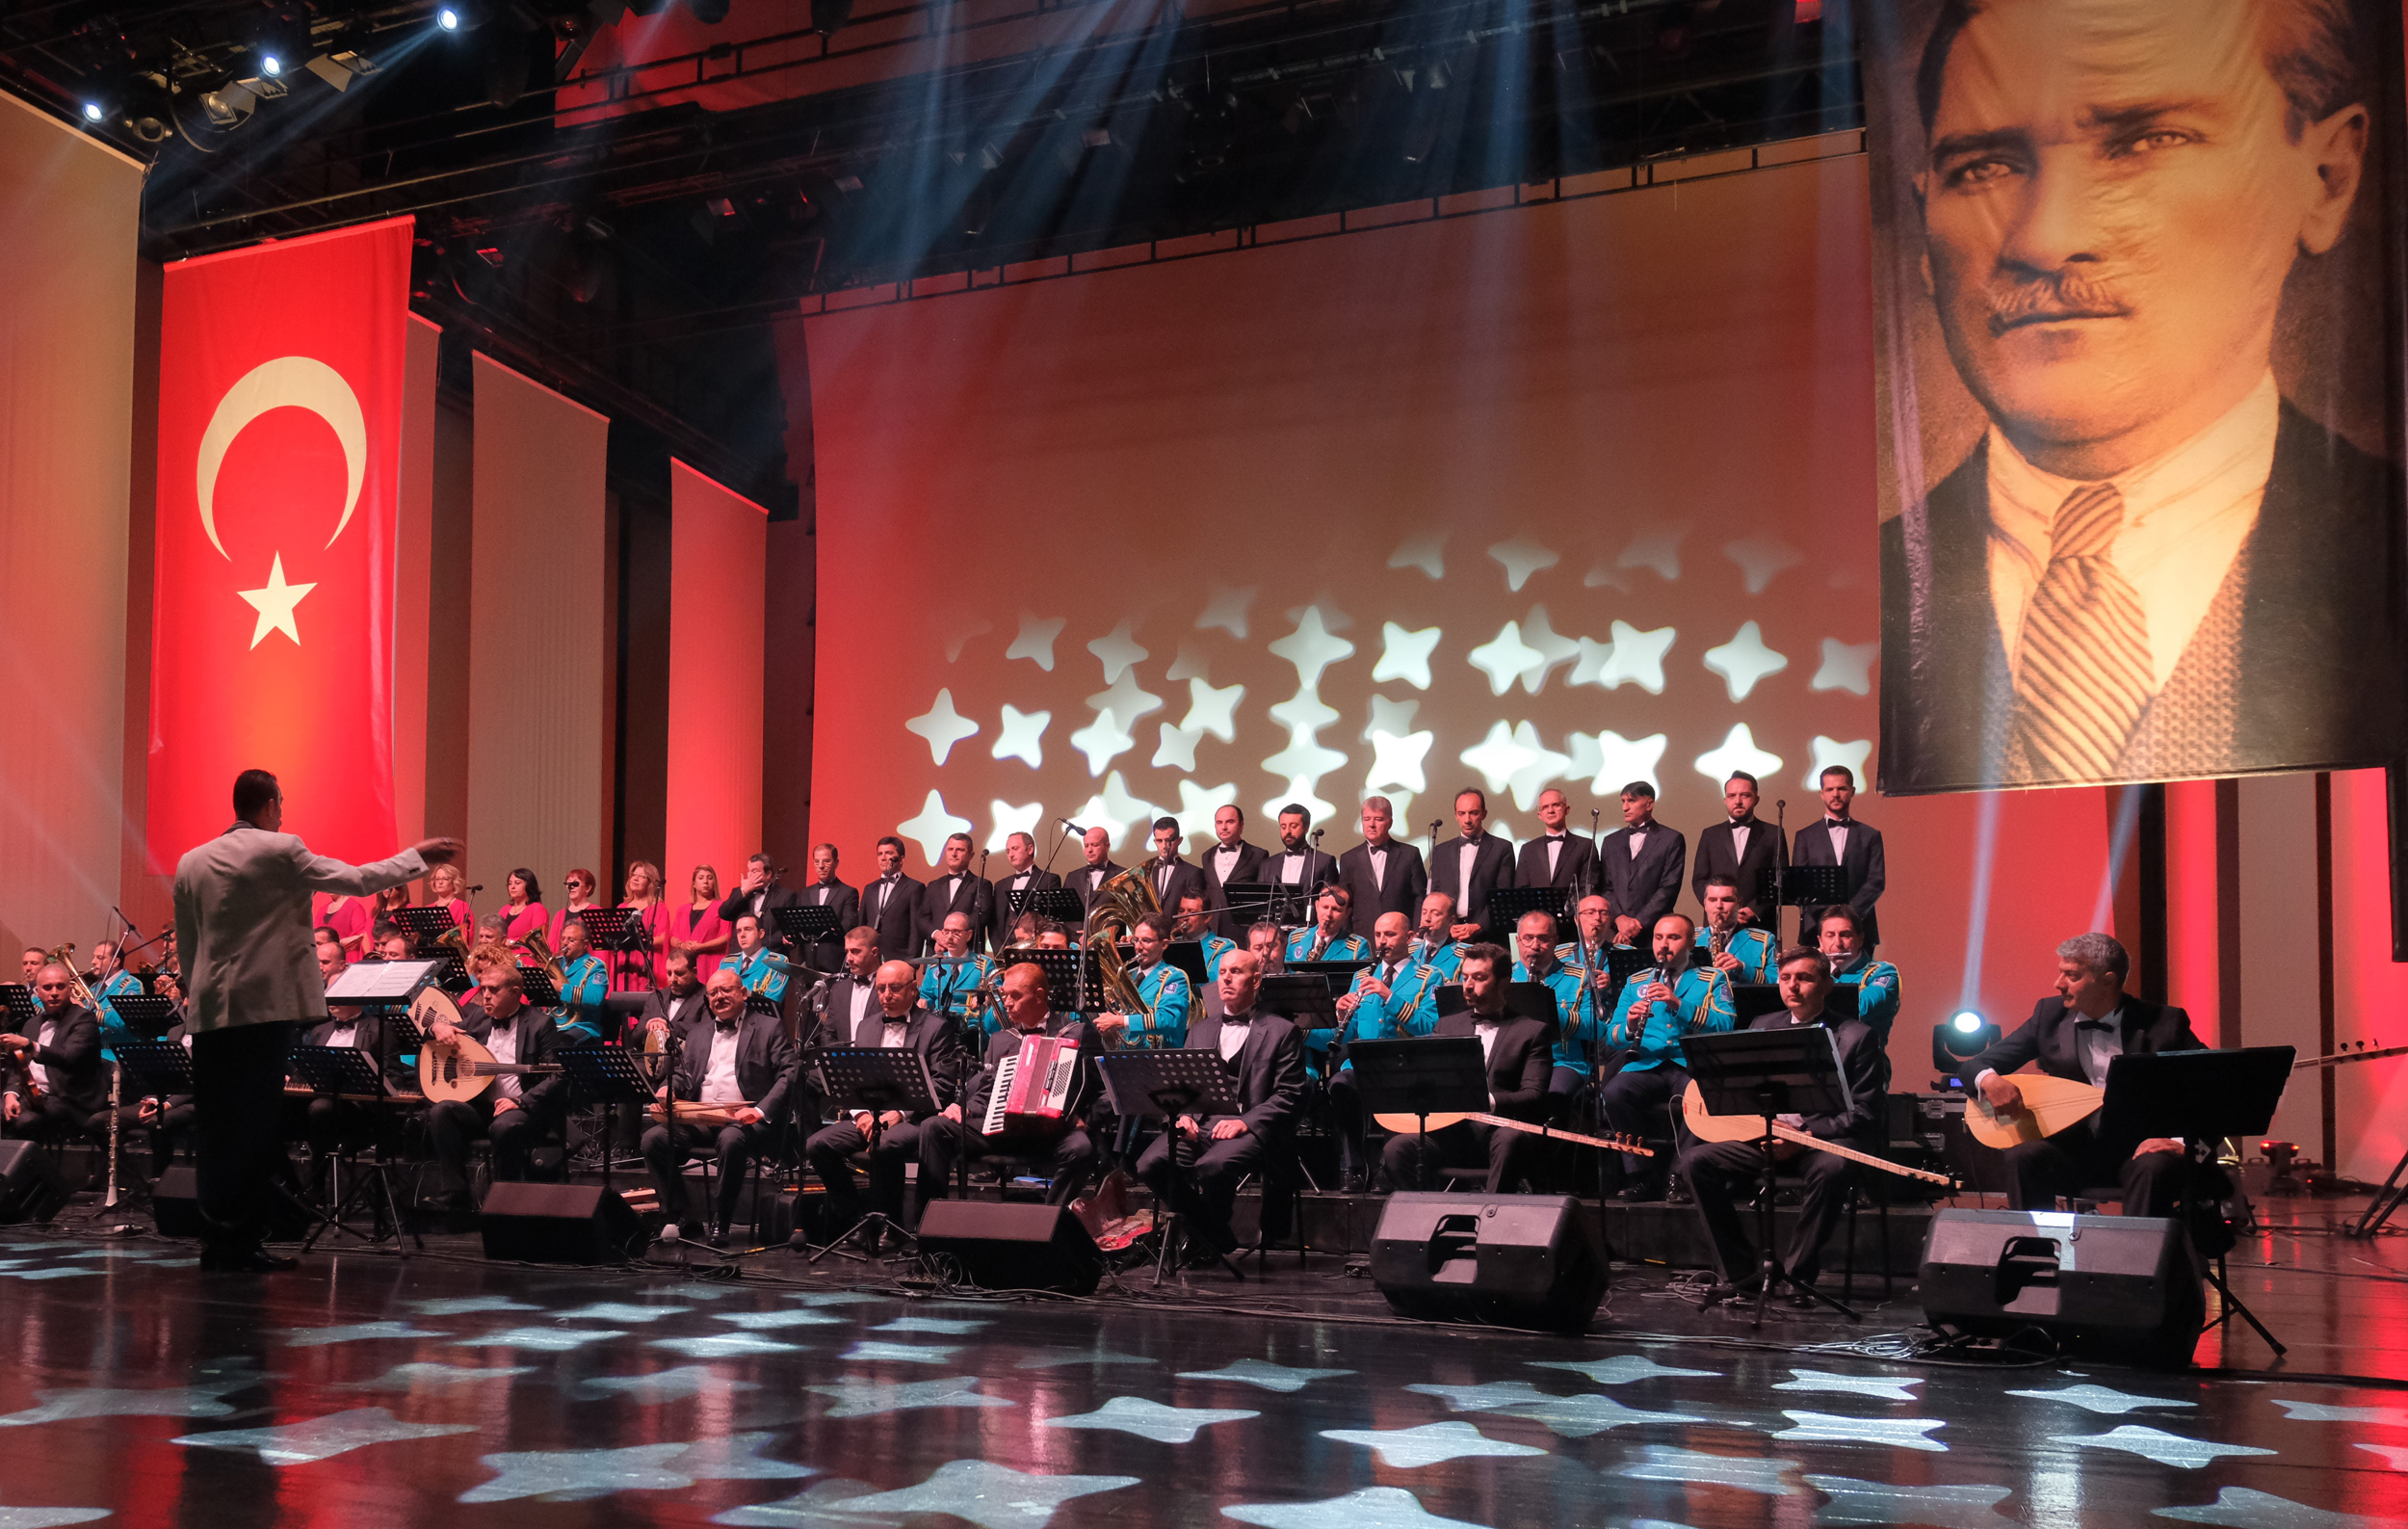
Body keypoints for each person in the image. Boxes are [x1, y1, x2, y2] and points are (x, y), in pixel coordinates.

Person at [1880, 0, 2403, 791]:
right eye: (1985, 168)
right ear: (1925, 222)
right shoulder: (1858, 604)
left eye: (2147, 141)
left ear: (2327, 178)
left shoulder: (2387, 556)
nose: (2045, 238)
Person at [170, 768, 455, 1269]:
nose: (282, 815)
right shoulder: (281, 849)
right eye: (280, 805)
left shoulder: (191, 862)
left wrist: (198, 995)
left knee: (216, 1128)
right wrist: (417, 858)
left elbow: (189, 943)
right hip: (263, 1009)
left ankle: (217, 1242)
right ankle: (243, 1242)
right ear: (268, 806)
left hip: (212, 1011)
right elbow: (358, 879)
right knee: (255, 1127)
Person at [1677, 946, 1888, 1301]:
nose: (1793, 986)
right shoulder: (1762, 1025)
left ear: (1826, 985)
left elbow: (1866, 1111)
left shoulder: (1857, 1036)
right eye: (1786, 978)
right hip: (1766, 1137)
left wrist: (1804, 1136)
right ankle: (1741, 1274)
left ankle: (1797, 1278)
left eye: (1804, 978)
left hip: (1821, 1142)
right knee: (1695, 1162)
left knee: (1834, 1168)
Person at [1964, 933, 2203, 1215]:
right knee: (2023, 1155)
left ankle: (2142, 1245)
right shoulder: (2048, 1016)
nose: (2058, 983)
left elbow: (2216, 1086)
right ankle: (2033, 1242)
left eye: (2072, 976)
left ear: (2108, 980)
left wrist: (2181, 1142)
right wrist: (1989, 1080)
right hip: (2072, 1151)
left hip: (2140, 1151)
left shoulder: (2165, 1023)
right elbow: (1974, 1066)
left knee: (2154, 1166)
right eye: (2060, 973)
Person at [1134, 949, 1307, 1256]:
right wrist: (1182, 1116)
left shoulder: (1282, 1032)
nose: (1226, 978)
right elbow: (1180, 1086)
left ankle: (1206, 1240)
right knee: (1149, 1164)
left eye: (1236, 972)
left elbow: (1289, 1095)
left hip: (1251, 1128)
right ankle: (1211, 1233)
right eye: (1223, 972)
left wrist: (1245, 1122)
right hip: (1201, 1124)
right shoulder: (1199, 1030)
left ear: (1256, 980)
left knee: (1212, 1166)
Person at [803, 959, 966, 1238]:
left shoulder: (936, 1028)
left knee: (885, 1144)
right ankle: (856, 1217)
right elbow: (854, 1080)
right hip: (872, 1115)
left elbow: (942, 1085)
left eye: (894, 988)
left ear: (913, 989)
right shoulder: (866, 1026)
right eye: (881, 989)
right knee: (817, 1145)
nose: (886, 995)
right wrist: (861, 1115)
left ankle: (892, 1226)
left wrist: (899, 1114)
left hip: (916, 1119)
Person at [929, 962, 1109, 1208]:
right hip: (1005, 1130)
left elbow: (1105, 1091)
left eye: (1016, 996)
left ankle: (1050, 1218)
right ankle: (928, 1218)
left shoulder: (1077, 1034)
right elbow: (985, 1095)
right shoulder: (1001, 1040)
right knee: (935, 1127)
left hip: (1055, 1133)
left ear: (1039, 996)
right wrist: (965, 1108)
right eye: (1005, 995)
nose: (1007, 1003)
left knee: (1081, 1149)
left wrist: (1087, 1119)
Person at [642, 966, 800, 1246]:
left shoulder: (768, 1027)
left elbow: (790, 1073)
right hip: (702, 1119)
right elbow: (683, 1075)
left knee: (731, 1140)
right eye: (713, 992)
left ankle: (722, 1220)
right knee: (653, 1140)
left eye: (726, 990)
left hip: (747, 1121)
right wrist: (669, 1089)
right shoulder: (698, 1033)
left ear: (744, 993)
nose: (719, 996)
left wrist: (760, 1110)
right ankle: (683, 1216)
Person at [1381, 943, 1553, 1195]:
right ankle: (1429, 1213)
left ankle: (1491, 1214)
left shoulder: (1532, 1031)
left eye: (1479, 978)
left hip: (1500, 1134)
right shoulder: (1447, 1026)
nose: (1468, 985)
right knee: (1397, 1148)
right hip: (1453, 1136)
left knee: (1509, 1138)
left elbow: (1534, 1094)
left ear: (1504, 983)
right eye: (1465, 977)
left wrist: (1486, 1101)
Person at [1599, 913, 1736, 1200]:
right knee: (1614, 1092)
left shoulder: (1712, 978)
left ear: (1691, 943)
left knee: (1701, 1097)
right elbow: (1611, 1036)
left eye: (1673, 937)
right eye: (1658, 937)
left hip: (1691, 1066)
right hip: (1646, 1064)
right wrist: (1630, 1025)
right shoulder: (1636, 981)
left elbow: (1725, 1025)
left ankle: (1680, 1175)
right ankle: (1641, 1175)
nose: (1663, 944)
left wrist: (1678, 1003)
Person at [424, 963, 565, 1208]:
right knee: (442, 1111)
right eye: (483, 989)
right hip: (483, 1108)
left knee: (504, 1126)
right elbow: (438, 1032)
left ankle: (503, 1199)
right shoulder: (478, 1017)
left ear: (515, 992)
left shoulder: (541, 1024)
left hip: (523, 1109)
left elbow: (557, 1076)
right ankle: (456, 1194)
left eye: (493, 989)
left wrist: (519, 1101)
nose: (486, 995)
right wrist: (437, 1026)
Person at [1327, 911, 1444, 1189]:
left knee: (1398, 1090)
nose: (1382, 941)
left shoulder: (1429, 976)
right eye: (1378, 935)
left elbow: (1430, 1027)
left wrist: (1389, 996)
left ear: (1409, 937)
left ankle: (1386, 1168)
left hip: (1407, 1066)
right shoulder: (1362, 976)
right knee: (1339, 1083)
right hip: (1364, 1065)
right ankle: (1354, 1166)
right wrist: (1340, 1014)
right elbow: (1349, 1033)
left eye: (1390, 934)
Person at [0, 963, 106, 1148]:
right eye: (48, 987)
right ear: (38, 993)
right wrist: (10, 1095)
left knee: (24, 1121)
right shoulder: (32, 1024)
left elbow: (68, 1057)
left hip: (68, 1098)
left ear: (69, 989)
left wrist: (29, 1045)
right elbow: (19, 1068)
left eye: (60, 986)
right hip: (32, 1096)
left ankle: (28, 1165)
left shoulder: (84, 1019)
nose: (54, 992)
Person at [1513, 911, 1604, 1124]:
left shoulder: (1581, 976)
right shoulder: (1505, 977)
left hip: (1563, 1062)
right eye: (1528, 938)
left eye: (1543, 939)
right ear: (1518, 941)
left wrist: (1553, 1012)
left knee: (1552, 1100)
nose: (1535, 946)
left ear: (1555, 941)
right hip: (1515, 1062)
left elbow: (1598, 1029)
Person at [1793, 767, 1886, 951]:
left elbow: (1876, 881)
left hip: (1860, 927)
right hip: (1815, 929)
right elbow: (1800, 883)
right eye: (1830, 789)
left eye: (1841, 788)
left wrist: (1849, 915)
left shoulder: (1870, 835)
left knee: (1859, 971)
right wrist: (1828, 917)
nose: (1835, 794)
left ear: (1852, 791)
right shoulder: (1805, 836)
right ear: (1821, 793)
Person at [1598, 781, 1686, 946]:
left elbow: (1669, 887)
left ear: (1649, 804)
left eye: (1631, 801)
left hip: (1654, 932)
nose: (1625, 807)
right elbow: (1606, 886)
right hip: (1616, 933)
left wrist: (1638, 922)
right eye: (1623, 801)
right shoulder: (1611, 841)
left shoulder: (1671, 839)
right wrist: (1619, 918)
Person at [1691, 773, 1779, 928]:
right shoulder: (1710, 834)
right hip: (1718, 921)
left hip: (1759, 923)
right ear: (1725, 800)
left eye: (1745, 795)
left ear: (1756, 799)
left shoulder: (1773, 833)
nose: (1738, 801)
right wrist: (1715, 907)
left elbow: (1778, 879)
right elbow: (1699, 879)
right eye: (1732, 796)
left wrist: (1754, 909)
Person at [1099, 911, 1192, 1050]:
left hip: (1160, 1058)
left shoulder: (1174, 977)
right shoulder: (1127, 977)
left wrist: (1121, 1021)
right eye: (1136, 940)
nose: (1138, 947)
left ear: (1164, 944)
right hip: (1125, 1056)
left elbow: (1167, 1019)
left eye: (1146, 941)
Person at [1340, 795, 1428, 938]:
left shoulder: (1409, 854)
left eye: (1378, 819)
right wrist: (1347, 937)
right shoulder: (1349, 859)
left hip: (1401, 936)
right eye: (1366, 819)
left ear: (1390, 822)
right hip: (1361, 937)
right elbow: (1345, 903)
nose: (1371, 824)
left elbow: (1420, 897)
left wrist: (1417, 933)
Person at [1428, 789, 1513, 938]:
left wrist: (1479, 925)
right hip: (1448, 934)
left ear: (1484, 814)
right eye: (1462, 813)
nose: (1467, 819)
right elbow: (1436, 893)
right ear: (1456, 815)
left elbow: (1503, 894)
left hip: (1488, 935)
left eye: (1473, 813)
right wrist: (1446, 925)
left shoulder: (1502, 848)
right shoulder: (1441, 851)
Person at [1817, 906, 1900, 1041]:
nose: (1838, 943)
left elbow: (1859, 1008)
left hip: (1863, 1054)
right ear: (1820, 941)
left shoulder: (1883, 972)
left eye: (1845, 935)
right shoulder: (1811, 972)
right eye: (1830, 935)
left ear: (1860, 939)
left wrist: (1816, 977)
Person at [920, 912, 996, 1036]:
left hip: (971, 1027)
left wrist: (985, 998)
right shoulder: (935, 963)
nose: (950, 937)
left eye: (956, 932)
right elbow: (926, 996)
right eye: (946, 932)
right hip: (940, 1026)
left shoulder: (984, 964)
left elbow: (997, 995)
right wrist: (922, 1003)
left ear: (968, 935)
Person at [1201, 804, 1270, 938]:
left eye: (1230, 822)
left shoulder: (1258, 855)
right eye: (1219, 822)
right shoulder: (1207, 856)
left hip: (1243, 931)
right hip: (1211, 930)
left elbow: (1262, 898)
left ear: (1241, 825)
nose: (1224, 827)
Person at [1694, 878, 1778, 984]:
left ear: (1739, 903)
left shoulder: (1763, 941)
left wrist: (1743, 968)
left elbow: (1776, 980)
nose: (1719, 906)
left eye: (1726, 900)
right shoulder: (1690, 939)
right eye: (1713, 900)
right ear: (1705, 904)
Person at [1517, 788, 1599, 893]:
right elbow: (1521, 890)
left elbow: (1589, 890)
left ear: (1567, 810)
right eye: (1545, 807)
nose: (1550, 811)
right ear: (1540, 815)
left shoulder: (1585, 846)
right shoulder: (1527, 849)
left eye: (1556, 805)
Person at [921, 833, 993, 953]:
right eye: (950, 849)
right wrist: (937, 935)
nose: (954, 854)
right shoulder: (933, 885)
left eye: (960, 850)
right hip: (936, 950)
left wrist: (951, 936)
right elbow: (922, 918)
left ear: (971, 855)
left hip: (968, 952)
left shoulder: (982, 884)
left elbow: (981, 916)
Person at [986, 832, 1059, 949]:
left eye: (1015, 848)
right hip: (1005, 951)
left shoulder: (1048, 880)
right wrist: (1000, 950)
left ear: (1030, 849)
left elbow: (1051, 920)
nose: (1011, 855)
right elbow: (994, 923)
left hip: (1034, 949)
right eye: (1008, 851)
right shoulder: (1000, 885)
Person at [795, 845, 859, 974]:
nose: (821, 866)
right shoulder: (805, 893)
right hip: (808, 962)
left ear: (836, 863)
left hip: (834, 961)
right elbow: (798, 925)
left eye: (826, 861)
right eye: (817, 862)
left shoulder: (848, 892)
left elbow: (848, 924)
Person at [860, 836, 926, 958]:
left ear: (901, 859)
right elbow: (862, 924)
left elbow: (915, 929)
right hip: (870, 956)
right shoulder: (869, 888)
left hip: (899, 956)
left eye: (889, 853)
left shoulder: (914, 888)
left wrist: (913, 961)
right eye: (880, 854)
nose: (883, 858)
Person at [720, 853, 804, 946]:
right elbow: (724, 913)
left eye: (754, 871)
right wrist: (743, 891)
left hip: (770, 950)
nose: (750, 875)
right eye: (748, 871)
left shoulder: (786, 896)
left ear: (768, 874)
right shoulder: (739, 893)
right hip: (741, 951)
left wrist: (759, 944)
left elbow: (787, 929)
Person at [814, 928, 883, 1041]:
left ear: (874, 952)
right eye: (847, 952)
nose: (848, 959)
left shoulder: (889, 988)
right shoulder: (839, 990)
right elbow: (829, 1033)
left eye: (855, 951)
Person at [551, 919, 610, 1046]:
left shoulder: (595, 966)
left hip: (582, 1025)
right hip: (554, 1023)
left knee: (561, 1042)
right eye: (563, 939)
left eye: (571, 940)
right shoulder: (555, 964)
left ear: (585, 944)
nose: (565, 943)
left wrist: (561, 988)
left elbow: (595, 998)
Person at [672, 864, 732, 984]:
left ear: (714, 883)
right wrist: (682, 945)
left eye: (710, 878)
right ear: (694, 884)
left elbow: (726, 936)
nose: (705, 881)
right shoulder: (682, 910)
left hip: (711, 963)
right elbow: (673, 936)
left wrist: (701, 946)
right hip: (685, 963)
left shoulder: (722, 907)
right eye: (701, 878)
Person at [1266, 804, 1340, 899]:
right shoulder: (1267, 865)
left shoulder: (1324, 861)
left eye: (1293, 826)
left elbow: (1331, 899)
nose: (1287, 831)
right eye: (1283, 827)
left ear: (1306, 828)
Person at [615, 860, 669, 989]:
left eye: (642, 876)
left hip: (646, 962)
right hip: (624, 963)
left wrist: (638, 942)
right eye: (633, 875)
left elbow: (663, 939)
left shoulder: (658, 908)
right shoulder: (621, 907)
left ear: (650, 883)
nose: (635, 878)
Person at [1285, 886, 1370, 963]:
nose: (1328, 914)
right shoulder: (1295, 939)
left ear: (1347, 913)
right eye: (1325, 907)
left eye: (1336, 909)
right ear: (1317, 906)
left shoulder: (1358, 948)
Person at [1140, 818, 1208, 913]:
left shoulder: (1193, 873)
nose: (1164, 846)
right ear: (1155, 841)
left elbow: (1194, 910)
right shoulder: (1150, 873)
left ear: (1179, 840)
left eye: (1168, 840)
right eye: (1159, 841)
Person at [725, 914, 791, 1006]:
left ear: (761, 933)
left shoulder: (778, 962)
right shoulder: (727, 962)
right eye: (739, 931)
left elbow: (772, 1000)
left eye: (747, 929)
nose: (742, 935)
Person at [1170, 893, 1238, 981]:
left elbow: (1214, 982)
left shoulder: (1223, 947)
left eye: (1192, 912)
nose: (1184, 917)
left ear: (1207, 918)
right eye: (1181, 911)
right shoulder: (1171, 943)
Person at [1410, 893, 1468, 981]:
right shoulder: (1408, 951)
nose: (1427, 918)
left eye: (1436, 914)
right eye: (1424, 912)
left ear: (1451, 920)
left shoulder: (1465, 955)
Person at [1069, 826, 1124, 912]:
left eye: (1095, 845)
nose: (1089, 850)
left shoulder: (1122, 875)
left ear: (1107, 846)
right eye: (1086, 846)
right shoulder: (1072, 877)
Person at [550, 868, 602, 954]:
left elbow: (601, 950)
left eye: (575, 883)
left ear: (588, 888)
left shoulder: (596, 912)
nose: (571, 887)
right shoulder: (559, 914)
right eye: (568, 883)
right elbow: (552, 945)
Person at [496, 869, 548, 944]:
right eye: (510, 883)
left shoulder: (537, 909)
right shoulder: (504, 909)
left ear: (528, 885)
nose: (512, 887)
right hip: (500, 951)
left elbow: (537, 939)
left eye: (517, 883)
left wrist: (512, 942)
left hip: (522, 951)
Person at [423, 863, 474, 936]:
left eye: (445, 879)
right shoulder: (427, 909)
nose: (440, 882)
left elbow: (467, 936)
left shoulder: (463, 907)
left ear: (454, 882)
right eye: (437, 879)